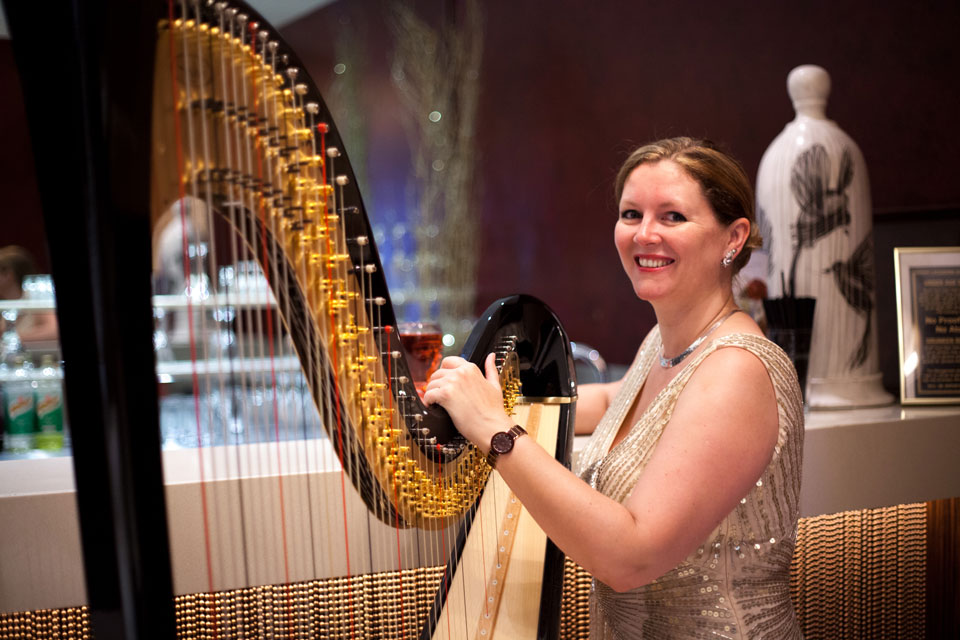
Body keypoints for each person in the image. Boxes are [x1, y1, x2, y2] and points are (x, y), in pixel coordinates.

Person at [423, 137, 804, 638]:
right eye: (631, 214)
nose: (645, 234)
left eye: (672, 216)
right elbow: (613, 400)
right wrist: (485, 400)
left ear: (733, 238)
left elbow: (630, 557)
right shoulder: (665, 342)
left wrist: (496, 429)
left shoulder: (737, 370)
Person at [0, 245, 59, 345]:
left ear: (8, 275)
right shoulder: (5, 303)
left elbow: (54, 330)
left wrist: (12, 339)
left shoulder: (35, 296)